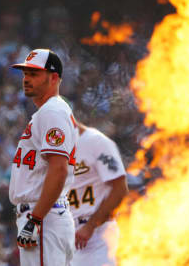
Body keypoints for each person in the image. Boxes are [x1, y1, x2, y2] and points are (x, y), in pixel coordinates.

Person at [9, 49, 79, 266]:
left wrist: (36, 219)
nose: (27, 79)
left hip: (43, 217)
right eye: (25, 73)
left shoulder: (53, 112)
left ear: (54, 78)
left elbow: (59, 169)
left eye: (34, 73)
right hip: (47, 216)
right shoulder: (48, 112)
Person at [69, 121, 128, 266]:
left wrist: (90, 226)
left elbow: (120, 190)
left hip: (97, 235)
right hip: (66, 235)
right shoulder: (52, 150)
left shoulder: (97, 142)